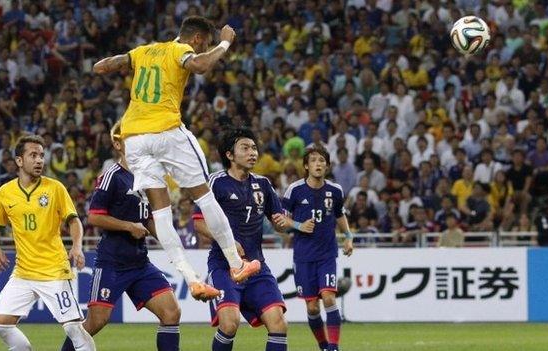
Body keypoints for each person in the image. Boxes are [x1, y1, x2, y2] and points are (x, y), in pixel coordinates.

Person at [92, 16, 260, 287]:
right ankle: (237, 264)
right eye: (204, 43)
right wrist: (225, 43)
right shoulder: (180, 50)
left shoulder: (143, 51)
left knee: (160, 211)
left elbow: (103, 67)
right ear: (196, 38)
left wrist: (109, 63)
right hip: (166, 131)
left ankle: (191, 280)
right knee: (204, 196)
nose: (204, 47)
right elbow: (201, 66)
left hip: (133, 137)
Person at [60, 121, 194, 351]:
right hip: (112, 262)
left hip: (140, 262)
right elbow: (93, 217)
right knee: (96, 321)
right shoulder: (112, 176)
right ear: (118, 144)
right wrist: (128, 226)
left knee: (171, 312)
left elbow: (150, 218)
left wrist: (169, 242)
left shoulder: (149, 176)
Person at [0, 135, 95, 351]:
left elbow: (74, 221)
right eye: (33, 155)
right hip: (23, 271)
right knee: (0, 325)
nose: (39, 161)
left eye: (41, 156)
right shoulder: (5, 192)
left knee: (74, 328)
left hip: (54, 269)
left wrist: (77, 245)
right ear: (19, 161)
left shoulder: (55, 188)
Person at [193, 128, 289, 351]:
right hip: (224, 267)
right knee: (229, 324)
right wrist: (227, 243)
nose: (252, 153)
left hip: (256, 267)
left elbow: (279, 222)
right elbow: (198, 223)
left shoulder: (263, 184)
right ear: (229, 155)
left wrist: (281, 223)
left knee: (279, 324)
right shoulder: (215, 182)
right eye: (245, 148)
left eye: (254, 148)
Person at [278, 146, 354, 351]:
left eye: (322, 160)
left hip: (327, 254)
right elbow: (281, 220)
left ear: (327, 166)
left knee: (329, 297)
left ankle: (334, 347)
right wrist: (298, 226)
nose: (318, 164)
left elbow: (339, 215)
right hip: (303, 256)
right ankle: (323, 346)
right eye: (313, 160)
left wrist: (348, 237)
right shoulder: (294, 190)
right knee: (312, 307)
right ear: (306, 165)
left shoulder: (335, 190)